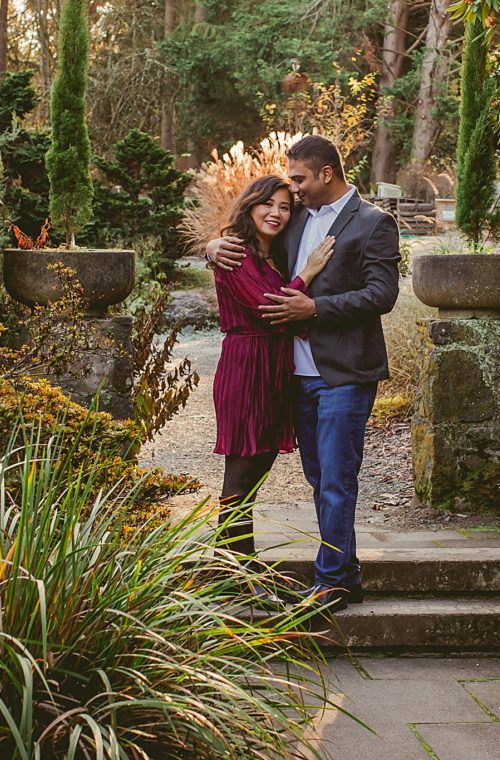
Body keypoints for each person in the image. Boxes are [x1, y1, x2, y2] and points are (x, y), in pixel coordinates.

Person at [206, 136, 400, 612]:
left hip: (344, 372)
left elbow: (382, 294)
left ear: (325, 175)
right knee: (319, 477)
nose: (291, 192)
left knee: (336, 477)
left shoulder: (374, 223)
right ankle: (344, 572)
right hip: (290, 374)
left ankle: (331, 579)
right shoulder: (294, 222)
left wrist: (315, 307)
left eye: (298, 180)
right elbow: (251, 251)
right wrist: (213, 246)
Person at [211, 175, 334, 577]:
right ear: (250, 205)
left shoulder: (276, 255)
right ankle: (233, 572)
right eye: (268, 204)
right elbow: (269, 307)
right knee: (241, 474)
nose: (277, 213)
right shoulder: (236, 254)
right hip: (246, 366)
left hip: (275, 369)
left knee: (255, 472)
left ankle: (233, 567)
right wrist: (311, 272)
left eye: (285, 207)